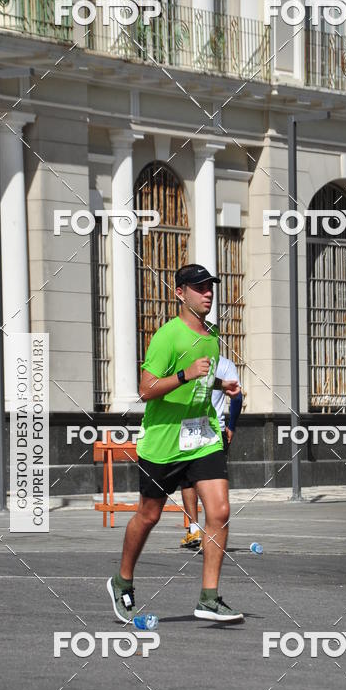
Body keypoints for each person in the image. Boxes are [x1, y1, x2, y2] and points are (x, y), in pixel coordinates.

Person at [107, 263, 244, 624]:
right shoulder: (167, 336)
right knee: (148, 515)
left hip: (202, 437)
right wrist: (185, 373)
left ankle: (209, 598)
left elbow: (199, 381)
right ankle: (122, 581)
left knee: (220, 511)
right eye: (199, 287)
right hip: (164, 442)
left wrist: (218, 386)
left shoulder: (212, 335)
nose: (208, 293)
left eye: (210, 286)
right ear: (180, 293)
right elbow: (146, 389)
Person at [180, 354, 242, 549]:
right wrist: (231, 426)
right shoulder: (225, 364)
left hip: (188, 429)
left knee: (188, 479)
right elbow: (237, 397)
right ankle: (211, 532)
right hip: (215, 430)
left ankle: (194, 529)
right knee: (213, 481)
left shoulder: (186, 361)